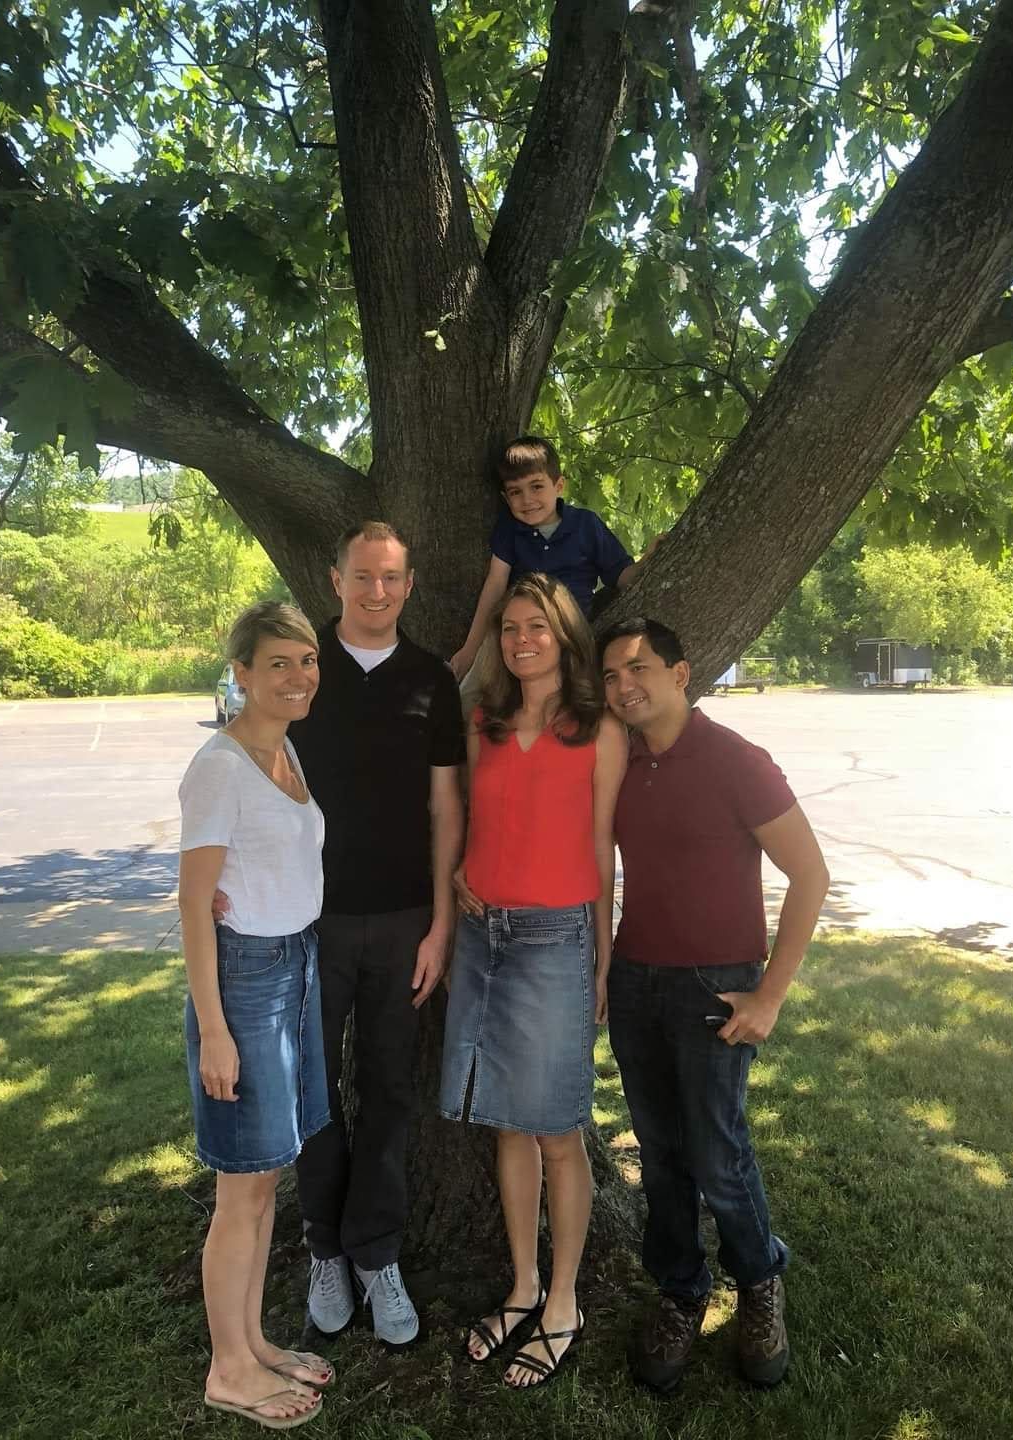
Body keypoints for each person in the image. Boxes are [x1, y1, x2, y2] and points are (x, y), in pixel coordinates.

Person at [599, 617, 830, 1394]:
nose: (624, 685)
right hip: (635, 980)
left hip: (714, 985)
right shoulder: (620, 761)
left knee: (717, 1153)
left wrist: (770, 995)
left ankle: (759, 1280)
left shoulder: (737, 760)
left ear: (681, 673)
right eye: (611, 675)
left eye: (638, 668)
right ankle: (680, 1290)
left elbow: (811, 875)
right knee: (660, 1151)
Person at [440, 573, 628, 1389]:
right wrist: (459, 872)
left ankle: (563, 1302)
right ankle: (521, 1288)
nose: (521, 640)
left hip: (556, 941)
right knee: (506, 1126)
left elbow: (602, 850)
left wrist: (602, 959)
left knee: (556, 1129)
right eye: (511, 627)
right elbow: (471, 818)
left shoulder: (599, 728)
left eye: (537, 627)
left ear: (565, 635)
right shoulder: (482, 721)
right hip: (483, 938)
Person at [285, 521, 465, 1346]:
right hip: (306, 920)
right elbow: (256, 774)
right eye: (363, 576)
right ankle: (325, 1247)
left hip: (402, 923)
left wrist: (440, 924)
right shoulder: (301, 669)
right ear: (336, 580)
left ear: (409, 584)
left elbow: (446, 807)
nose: (377, 591)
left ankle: (376, 1252)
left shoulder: (431, 678)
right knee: (313, 1092)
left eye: (391, 577)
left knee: (390, 1090)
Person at [178, 601, 334, 1429]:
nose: (298, 677)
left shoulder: (285, 750)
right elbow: (194, 904)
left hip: (295, 966)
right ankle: (228, 1369)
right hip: (245, 981)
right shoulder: (220, 766)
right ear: (241, 672)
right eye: (278, 663)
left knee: (269, 1171)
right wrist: (214, 1029)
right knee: (241, 1185)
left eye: (306, 661)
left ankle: (252, 1341)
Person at [449, 435, 660, 681]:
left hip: (569, 637)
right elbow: (495, 586)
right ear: (506, 498)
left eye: (536, 486)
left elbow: (622, 576)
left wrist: (650, 559)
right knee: (475, 689)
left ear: (559, 486)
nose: (527, 499)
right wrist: (470, 648)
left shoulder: (585, 525)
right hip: (520, 637)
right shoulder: (509, 530)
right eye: (516, 492)